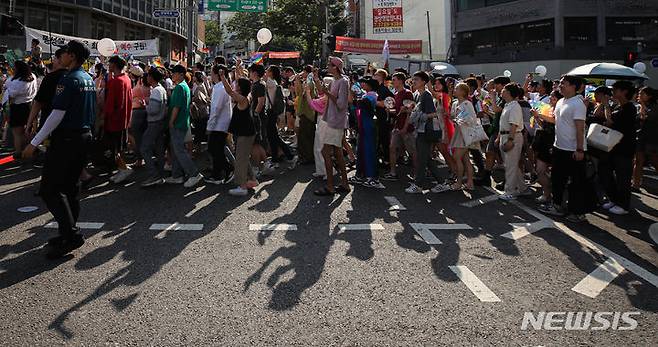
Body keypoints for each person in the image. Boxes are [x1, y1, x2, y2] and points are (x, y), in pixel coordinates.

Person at [21, 40, 95, 258]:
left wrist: (33, 143)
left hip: (67, 140)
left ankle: (71, 234)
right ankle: (67, 232)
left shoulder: (69, 80)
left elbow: (56, 114)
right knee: (71, 188)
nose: (59, 57)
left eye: (64, 54)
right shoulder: (88, 78)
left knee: (50, 189)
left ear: (71, 57)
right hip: (83, 137)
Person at [539, 75, 591, 223]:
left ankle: (578, 212)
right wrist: (540, 115)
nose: (560, 86)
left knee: (576, 183)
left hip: (574, 150)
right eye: (560, 83)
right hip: (559, 148)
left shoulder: (577, 103)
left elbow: (580, 128)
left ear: (574, 86)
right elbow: (557, 121)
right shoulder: (561, 101)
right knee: (557, 180)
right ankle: (557, 206)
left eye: (564, 84)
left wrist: (580, 149)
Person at [598, 81, 637, 215]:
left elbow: (610, 122)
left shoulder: (630, 108)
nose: (612, 92)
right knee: (605, 173)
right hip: (612, 146)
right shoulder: (618, 107)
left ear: (624, 91)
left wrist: (606, 106)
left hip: (624, 149)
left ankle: (623, 205)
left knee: (623, 178)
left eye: (615, 90)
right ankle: (614, 199)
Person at [314, 56, 350, 196]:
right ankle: (344, 183)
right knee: (338, 153)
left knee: (325, 152)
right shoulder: (336, 81)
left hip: (335, 121)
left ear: (335, 67)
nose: (327, 66)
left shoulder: (342, 81)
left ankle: (330, 186)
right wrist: (317, 80)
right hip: (332, 120)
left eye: (329, 64)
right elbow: (322, 93)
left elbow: (341, 104)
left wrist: (328, 92)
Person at [405, 71, 445, 194]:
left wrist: (418, 115)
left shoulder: (426, 95)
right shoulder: (418, 94)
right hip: (420, 130)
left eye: (416, 79)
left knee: (422, 159)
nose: (414, 81)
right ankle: (442, 182)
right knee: (426, 158)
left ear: (423, 82)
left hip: (425, 131)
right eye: (413, 79)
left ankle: (418, 185)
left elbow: (433, 114)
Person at [220, 71, 258, 196]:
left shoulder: (242, 99)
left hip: (245, 134)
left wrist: (222, 77)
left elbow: (230, 91)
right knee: (243, 157)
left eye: (236, 84)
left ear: (240, 88)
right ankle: (252, 180)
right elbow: (239, 84)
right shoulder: (247, 95)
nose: (234, 85)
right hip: (246, 132)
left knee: (241, 159)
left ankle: (242, 186)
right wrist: (238, 69)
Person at [165, 64, 203, 188]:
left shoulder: (180, 87)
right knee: (176, 150)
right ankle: (177, 176)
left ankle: (194, 174)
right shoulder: (184, 86)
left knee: (179, 150)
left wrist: (171, 121)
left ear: (180, 74)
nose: (172, 75)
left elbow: (176, 107)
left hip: (178, 123)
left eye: (174, 73)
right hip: (182, 122)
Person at [496, 83, 529, 200]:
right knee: (512, 164)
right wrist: (500, 137)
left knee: (510, 165)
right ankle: (523, 188)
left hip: (513, 136)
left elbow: (514, 125)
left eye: (504, 89)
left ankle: (510, 191)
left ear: (509, 92)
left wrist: (510, 140)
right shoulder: (508, 104)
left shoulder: (515, 106)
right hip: (506, 135)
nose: (501, 91)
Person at [104, 55, 134, 183]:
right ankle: (122, 169)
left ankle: (123, 168)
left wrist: (103, 117)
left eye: (109, 63)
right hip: (124, 119)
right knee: (120, 147)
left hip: (114, 120)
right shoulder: (126, 78)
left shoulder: (115, 81)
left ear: (114, 65)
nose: (108, 65)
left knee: (114, 148)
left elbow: (111, 104)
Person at [26, 48, 68, 138]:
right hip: (70, 125)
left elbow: (38, 103)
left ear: (60, 59)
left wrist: (29, 124)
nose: (53, 61)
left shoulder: (50, 78)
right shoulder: (75, 76)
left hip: (49, 123)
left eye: (55, 59)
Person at [352, 77, 384, 188]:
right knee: (361, 150)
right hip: (363, 125)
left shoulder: (372, 95)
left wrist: (355, 98)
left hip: (368, 125)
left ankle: (372, 178)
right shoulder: (367, 94)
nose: (362, 84)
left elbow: (361, 103)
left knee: (369, 150)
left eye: (364, 82)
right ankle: (361, 174)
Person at [1, 60, 38, 158]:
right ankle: (29, 149)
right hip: (29, 105)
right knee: (27, 130)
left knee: (17, 132)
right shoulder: (32, 77)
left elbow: (11, 94)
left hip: (17, 107)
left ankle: (18, 152)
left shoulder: (16, 81)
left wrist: (6, 87)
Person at [383, 72, 415, 180]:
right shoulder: (396, 94)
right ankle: (393, 173)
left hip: (406, 128)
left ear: (401, 81)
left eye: (394, 79)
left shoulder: (407, 93)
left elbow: (409, 111)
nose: (393, 81)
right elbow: (397, 111)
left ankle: (419, 173)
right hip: (397, 126)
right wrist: (390, 110)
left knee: (412, 152)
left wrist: (405, 127)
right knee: (392, 148)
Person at [205, 64, 234, 185]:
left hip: (219, 124)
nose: (210, 75)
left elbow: (216, 108)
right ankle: (217, 174)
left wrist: (209, 126)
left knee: (214, 149)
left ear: (217, 74)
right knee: (216, 149)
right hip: (220, 123)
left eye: (211, 72)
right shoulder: (219, 86)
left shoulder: (221, 87)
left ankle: (228, 169)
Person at [531, 90, 561, 204]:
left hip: (556, 143)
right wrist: (537, 118)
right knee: (540, 170)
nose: (550, 100)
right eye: (551, 97)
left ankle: (552, 196)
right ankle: (546, 193)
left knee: (555, 173)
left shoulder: (560, 110)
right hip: (545, 142)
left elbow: (555, 121)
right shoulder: (549, 109)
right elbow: (544, 125)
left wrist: (538, 115)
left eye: (553, 98)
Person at [448, 83, 479, 191]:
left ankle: (459, 182)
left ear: (463, 92)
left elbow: (472, 120)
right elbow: (453, 117)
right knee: (465, 159)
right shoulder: (455, 103)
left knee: (457, 157)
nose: (454, 90)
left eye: (457, 88)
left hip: (466, 134)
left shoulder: (467, 104)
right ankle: (470, 182)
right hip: (459, 133)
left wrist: (460, 120)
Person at [140, 67, 168, 187]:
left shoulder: (156, 90)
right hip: (161, 122)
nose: (146, 77)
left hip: (154, 123)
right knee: (159, 149)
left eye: (148, 75)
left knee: (144, 148)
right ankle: (159, 175)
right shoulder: (161, 89)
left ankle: (153, 175)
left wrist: (146, 105)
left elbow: (154, 110)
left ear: (151, 77)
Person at [265, 65, 295, 165]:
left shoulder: (271, 82)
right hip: (272, 112)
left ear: (272, 73)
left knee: (274, 136)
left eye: (268, 70)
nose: (266, 71)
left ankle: (290, 155)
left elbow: (261, 77)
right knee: (272, 136)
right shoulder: (273, 82)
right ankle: (275, 157)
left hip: (271, 112)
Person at [632, 87, 658, 192]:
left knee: (655, 162)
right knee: (638, 161)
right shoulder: (638, 106)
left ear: (649, 96)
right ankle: (636, 185)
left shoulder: (655, 107)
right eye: (639, 93)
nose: (639, 95)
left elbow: (645, 117)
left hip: (652, 139)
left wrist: (642, 105)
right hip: (640, 137)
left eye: (642, 94)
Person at [295, 65, 317, 164]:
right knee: (304, 136)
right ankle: (305, 156)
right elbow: (298, 93)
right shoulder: (307, 82)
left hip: (307, 113)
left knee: (306, 137)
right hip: (305, 112)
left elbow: (300, 94)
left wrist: (297, 80)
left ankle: (308, 157)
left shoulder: (309, 83)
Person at [129, 66, 149, 167]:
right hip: (144, 112)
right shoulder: (145, 85)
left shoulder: (138, 87)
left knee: (136, 136)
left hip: (137, 112)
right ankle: (142, 158)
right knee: (142, 136)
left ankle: (140, 158)